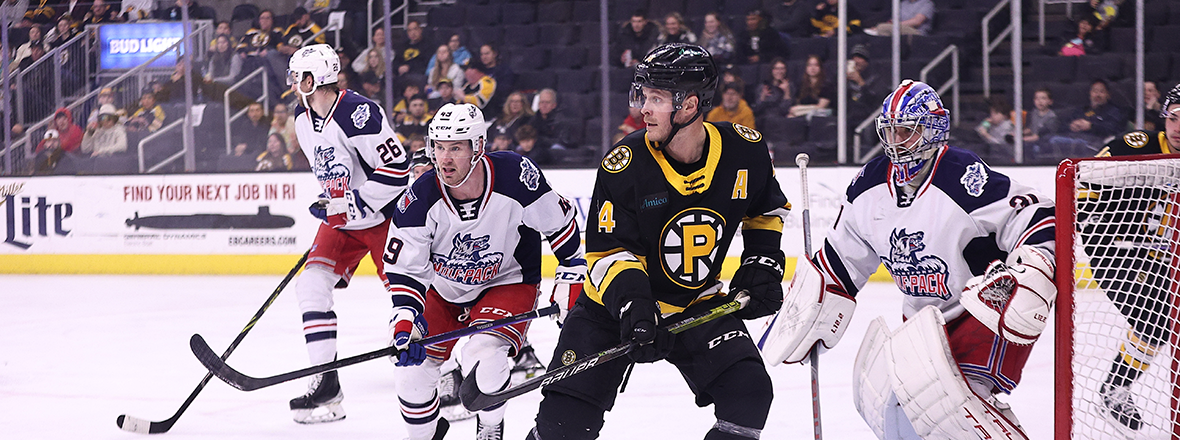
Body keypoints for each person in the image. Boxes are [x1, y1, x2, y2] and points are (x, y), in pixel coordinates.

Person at [528, 42, 791, 440]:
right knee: (562, 425)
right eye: (643, 96)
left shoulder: (746, 150)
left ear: (689, 106)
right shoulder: (625, 164)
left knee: (749, 392)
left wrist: (761, 263)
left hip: (695, 303)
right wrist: (635, 305)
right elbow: (609, 251)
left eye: (656, 98)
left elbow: (766, 210)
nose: (643, 109)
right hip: (611, 308)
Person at [767, 79, 1056, 439]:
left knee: (952, 415)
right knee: (895, 414)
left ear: (933, 131)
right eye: (890, 132)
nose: (896, 142)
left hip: (980, 316)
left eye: (906, 132)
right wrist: (813, 302)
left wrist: (1034, 267)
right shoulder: (869, 183)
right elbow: (842, 259)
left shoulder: (961, 176)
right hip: (921, 327)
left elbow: (1039, 215)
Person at [385, 101, 584, 440]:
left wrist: (572, 271)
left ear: (478, 147)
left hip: (506, 281)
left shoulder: (515, 176)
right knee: (412, 376)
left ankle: (490, 429)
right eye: (439, 147)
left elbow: (560, 224)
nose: (444, 158)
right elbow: (407, 270)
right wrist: (405, 319)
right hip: (443, 290)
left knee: (485, 355)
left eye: (456, 148)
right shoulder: (420, 198)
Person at [285, 43, 412, 424]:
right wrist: (330, 202)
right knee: (310, 285)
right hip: (342, 222)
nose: (293, 84)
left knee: (411, 295)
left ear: (312, 79)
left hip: (384, 218)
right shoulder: (301, 118)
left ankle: (445, 373)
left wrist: (354, 203)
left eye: (297, 77)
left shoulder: (359, 114)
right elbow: (331, 172)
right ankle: (325, 383)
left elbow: (398, 170)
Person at [1082, 84, 1180, 432]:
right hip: (1115, 247)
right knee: (1153, 322)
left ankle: (1115, 388)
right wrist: (1096, 223)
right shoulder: (1137, 145)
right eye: (1173, 117)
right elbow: (1084, 180)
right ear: (1163, 118)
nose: (1178, 126)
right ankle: (1114, 390)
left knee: (1157, 327)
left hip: (1161, 255)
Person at [1048, 79, 1126, 156]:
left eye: (1101, 91)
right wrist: (1071, 126)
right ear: (1090, 93)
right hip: (1071, 146)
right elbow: (1061, 126)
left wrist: (1091, 126)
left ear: (1108, 95)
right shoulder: (1080, 111)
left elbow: (1115, 130)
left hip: (1096, 149)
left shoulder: (1114, 112)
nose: (1097, 95)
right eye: (1095, 91)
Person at [846, 45, 883, 122]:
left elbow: (874, 102)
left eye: (859, 58)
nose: (856, 61)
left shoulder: (875, 78)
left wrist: (861, 82)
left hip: (867, 117)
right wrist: (844, 82)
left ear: (866, 61)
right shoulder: (845, 77)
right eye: (853, 58)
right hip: (849, 116)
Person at [1023, 87, 1061, 160]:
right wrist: (1018, 134)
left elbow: (1039, 136)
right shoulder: (1033, 113)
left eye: (1043, 98)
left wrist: (1022, 139)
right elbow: (1031, 129)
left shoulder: (1052, 117)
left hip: (1045, 145)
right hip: (1033, 141)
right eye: (1037, 98)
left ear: (1050, 101)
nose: (1039, 101)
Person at [864, 0, 935, 36]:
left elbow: (917, 22)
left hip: (917, 33)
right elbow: (893, 20)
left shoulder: (927, 3)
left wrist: (893, 25)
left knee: (883, 28)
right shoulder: (903, 4)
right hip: (900, 29)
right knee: (881, 28)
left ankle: (879, 30)